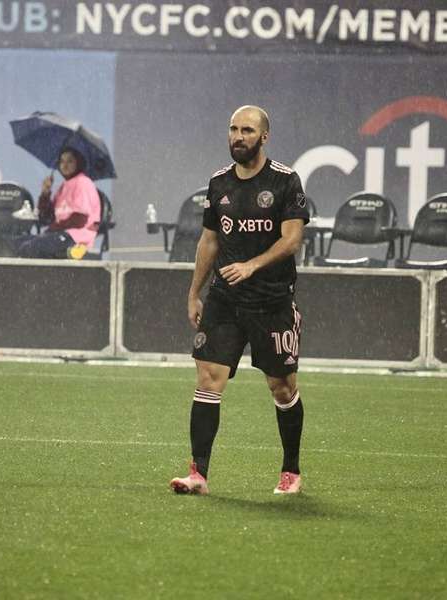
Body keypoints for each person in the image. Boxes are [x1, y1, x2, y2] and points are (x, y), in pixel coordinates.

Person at [170, 105, 310, 496]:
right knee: (207, 379)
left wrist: (252, 265)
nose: (238, 136)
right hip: (225, 300)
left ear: (264, 136)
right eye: (233, 129)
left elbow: (292, 239)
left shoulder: (285, 181)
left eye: (247, 130)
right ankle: (198, 474)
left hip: (271, 301)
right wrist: (194, 292)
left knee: (282, 388)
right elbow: (209, 241)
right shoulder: (218, 184)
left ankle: (291, 470)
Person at [15, 148, 98, 260]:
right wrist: (46, 193)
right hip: (60, 233)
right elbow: (46, 218)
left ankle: (65, 255)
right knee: (18, 243)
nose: (65, 165)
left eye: (70, 161)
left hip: (77, 237)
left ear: (78, 163)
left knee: (32, 247)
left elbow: (79, 220)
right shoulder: (64, 186)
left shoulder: (83, 183)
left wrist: (52, 229)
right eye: (62, 161)